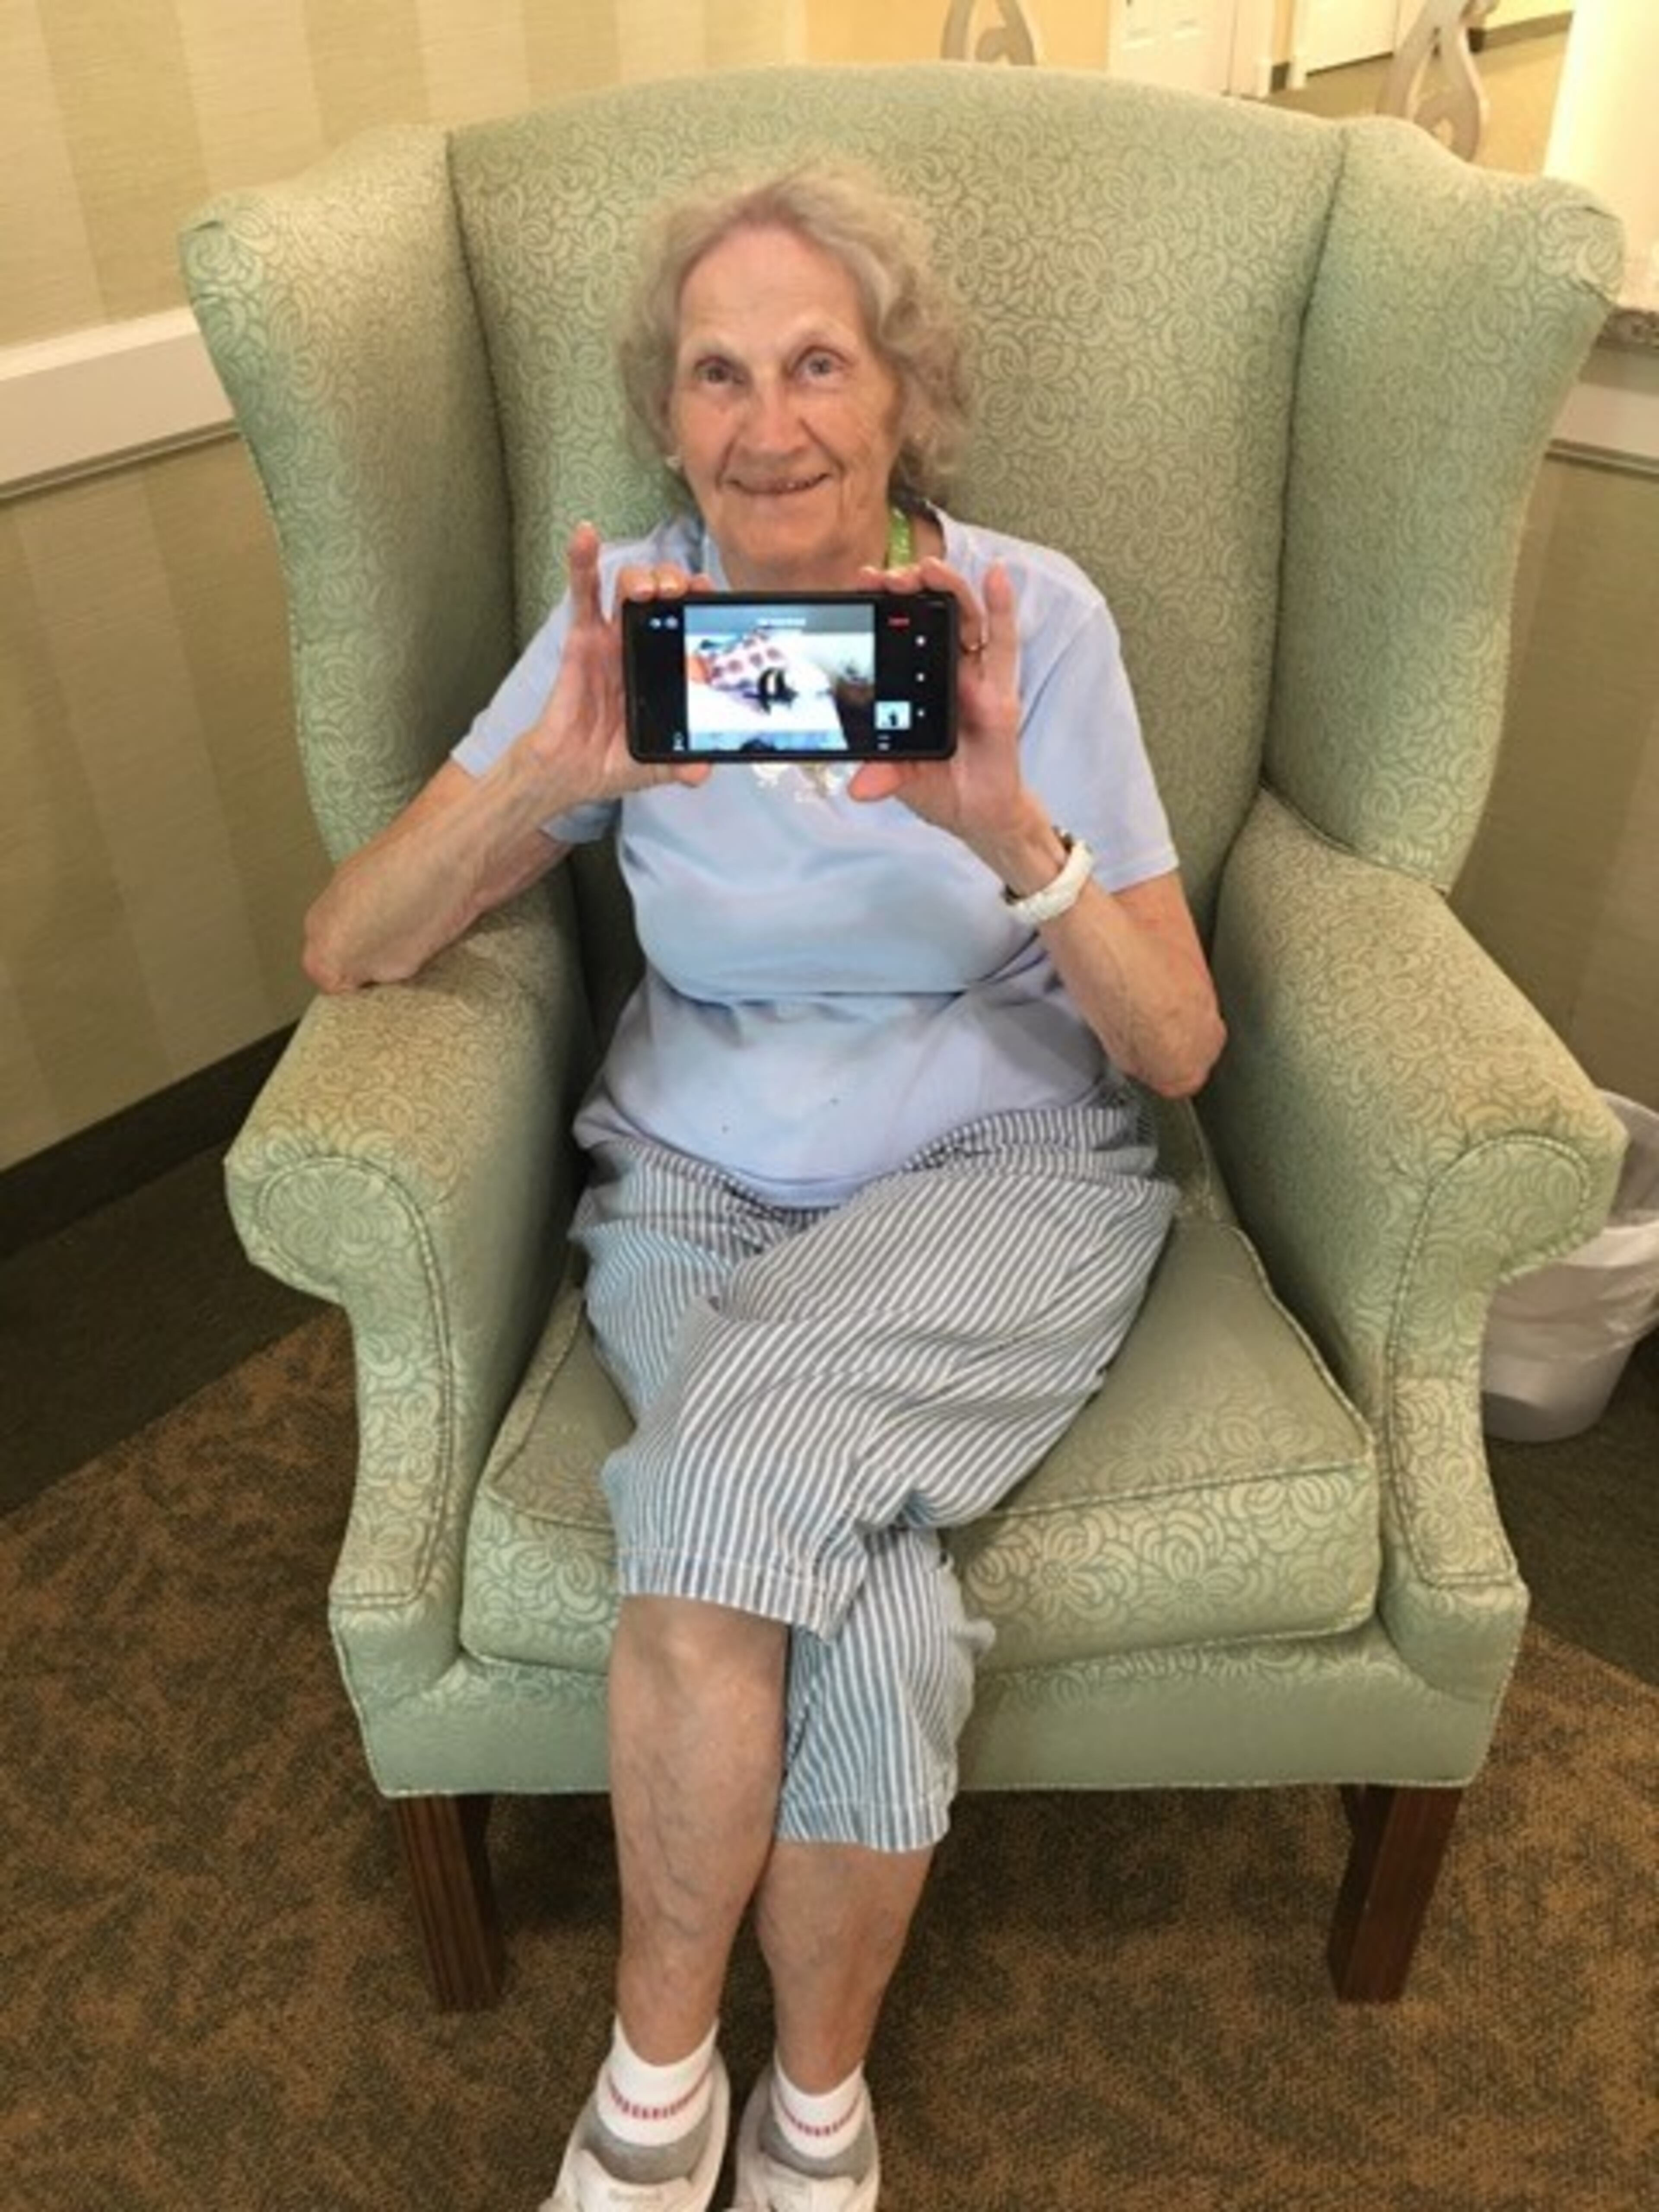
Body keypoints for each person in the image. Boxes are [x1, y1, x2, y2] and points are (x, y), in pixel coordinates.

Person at [303, 159, 1225, 2212]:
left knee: (717, 1490)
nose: (768, 421)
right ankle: (809, 2107)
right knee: (877, 1625)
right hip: (699, 1186)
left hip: (1004, 1175)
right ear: (667, 411)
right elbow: (349, 943)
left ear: (907, 397)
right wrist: (550, 781)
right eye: (718, 372)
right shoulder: (623, 626)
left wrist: (1013, 827)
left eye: (820, 361)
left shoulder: (1027, 619)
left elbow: (1174, 1047)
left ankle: (647, 2090)